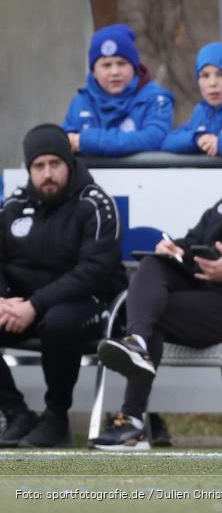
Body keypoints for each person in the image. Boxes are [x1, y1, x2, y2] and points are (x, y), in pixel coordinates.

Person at [91, 131, 222, 450]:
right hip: (207, 300)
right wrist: (175, 249)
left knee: (153, 313)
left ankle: (130, 421)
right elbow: (194, 240)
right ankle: (138, 343)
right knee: (153, 265)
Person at [0, 124, 126, 447]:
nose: (47, 174)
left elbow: (92, 273)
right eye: (38, 166)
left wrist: (34, 305)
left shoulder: (96, 204)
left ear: (69, 164)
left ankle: (56, 416)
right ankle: (16, 414)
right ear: (29, 170)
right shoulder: (13, 206)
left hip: (88, 302)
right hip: (25, 306)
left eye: (55, 164)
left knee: (58, 322)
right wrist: (3, 301)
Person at [61, 24, 174, 156]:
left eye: (122, 63)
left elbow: (156, 138)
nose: (115, 72)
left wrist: (86, 141)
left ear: (134, 67)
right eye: (106, 65)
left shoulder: (156, 99)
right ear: (94, 72)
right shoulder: (81, 102)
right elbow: (63, 141)